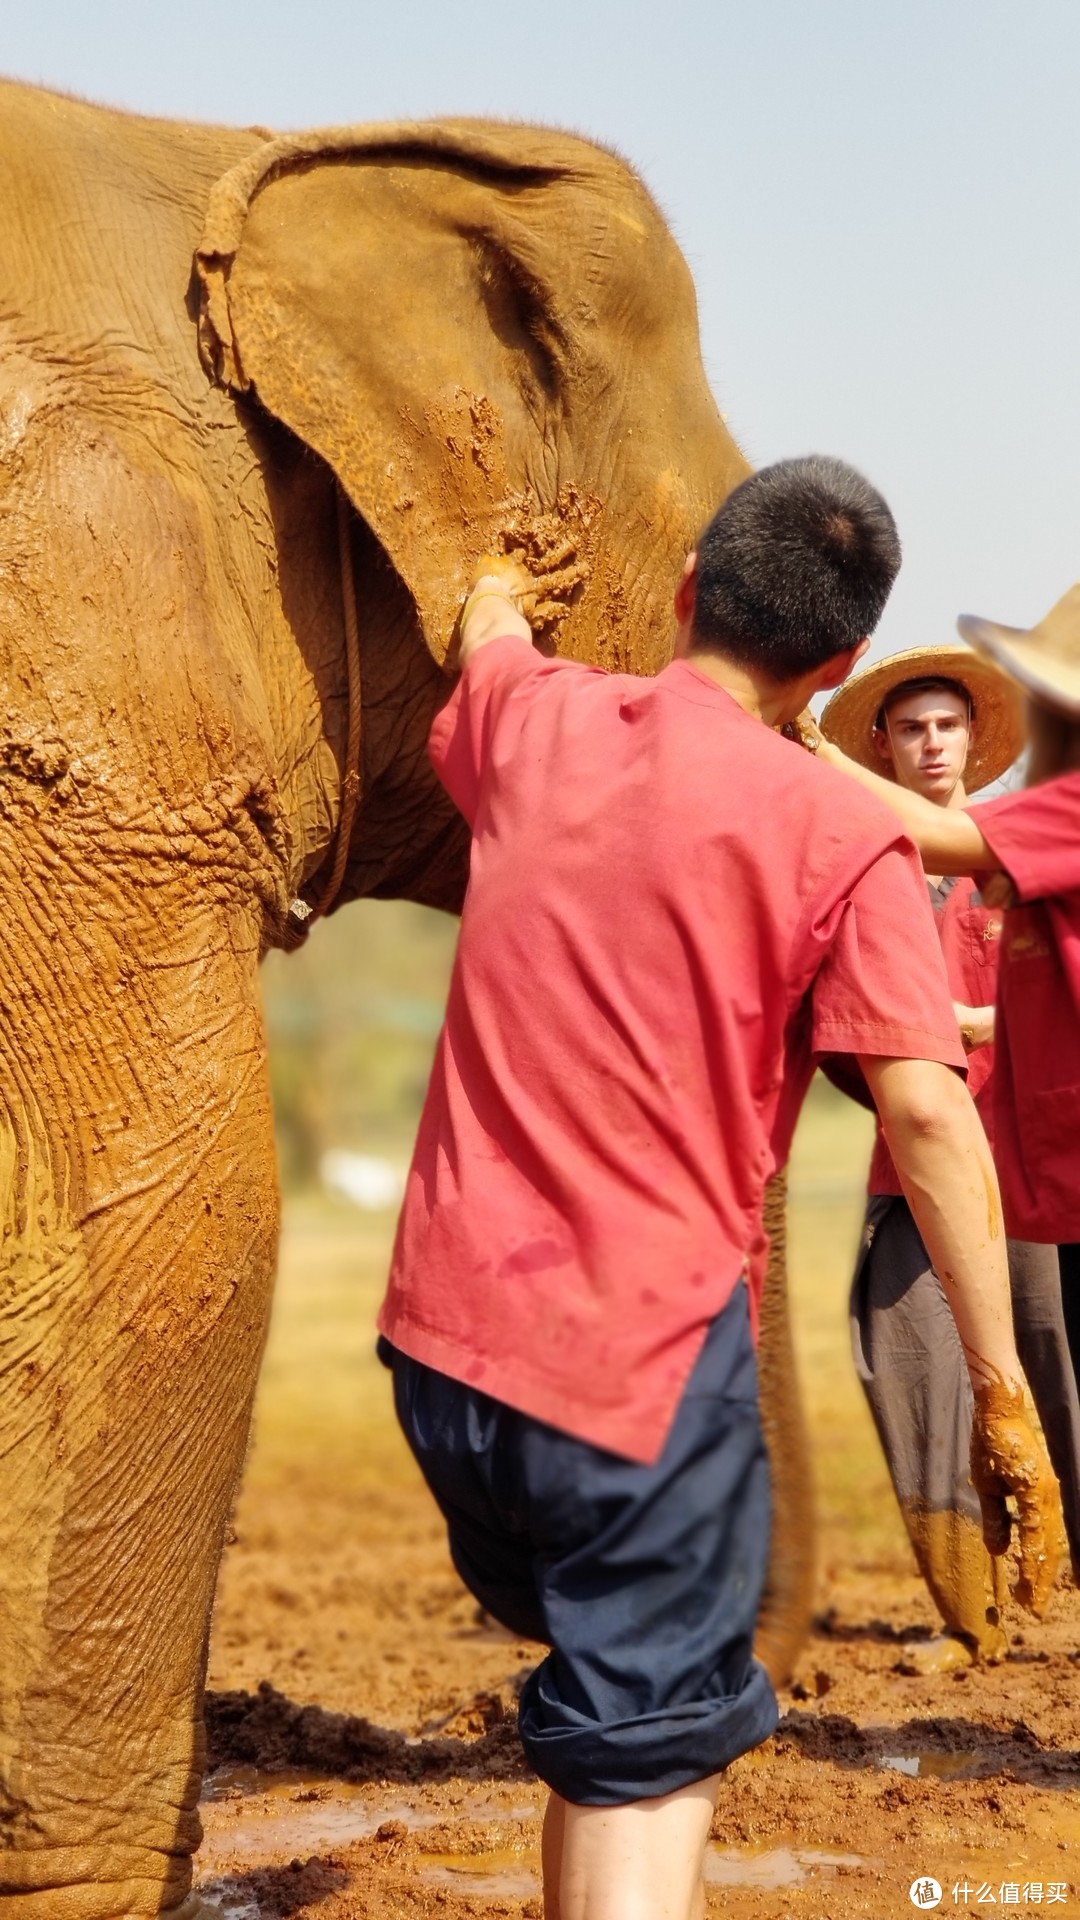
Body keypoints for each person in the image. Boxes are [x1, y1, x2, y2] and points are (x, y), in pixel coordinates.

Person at [377, 457, 1059, 1920]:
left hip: (438, 1351)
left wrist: (497, 584)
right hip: (635, 1371)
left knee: (616, 1700)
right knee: (654, 1747)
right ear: (845, 669)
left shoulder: (537, 721)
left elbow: (488, 636)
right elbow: (930, 1114)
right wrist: (1000, 1388)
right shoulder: (844, 834)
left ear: (688, 589)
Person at [821, 648, 1080, 1670]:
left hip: (1023, 1164)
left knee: (1053, 1362)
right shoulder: (864, 870)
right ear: (883, 744)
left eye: (946, 726)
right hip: (911, 1166)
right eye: (911, 729)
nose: (930, 743)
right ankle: (968, 1614)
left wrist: (971, 1026)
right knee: (912, 1367)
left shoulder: (1022, 846)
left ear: (974, 739)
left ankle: (1060, 1584)